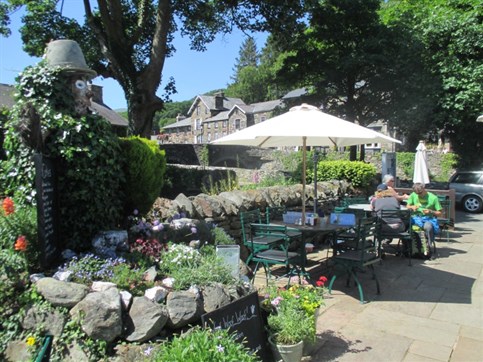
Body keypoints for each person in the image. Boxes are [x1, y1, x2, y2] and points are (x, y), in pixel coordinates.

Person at [406, 183, 442, 256]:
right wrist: (412, 207)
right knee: (405, 224)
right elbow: (407, 206)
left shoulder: (433, 197)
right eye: (417, 193)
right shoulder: (413, 195)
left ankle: (429, 245)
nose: (419, 195)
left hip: (428, 218)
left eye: (420, 193)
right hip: (415, 217)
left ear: (424, 189)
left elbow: (440, 213)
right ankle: (407, 246)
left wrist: (431, 211)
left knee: (428, 227)